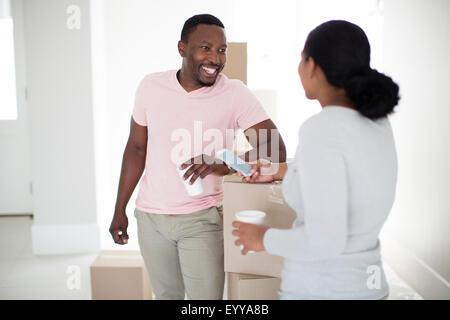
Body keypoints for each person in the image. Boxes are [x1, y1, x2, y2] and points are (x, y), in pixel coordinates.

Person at [109, 14, 286, 300]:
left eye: (222, 50)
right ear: (182, 48)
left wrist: (223, 165)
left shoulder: (234, 93)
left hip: (202, 219)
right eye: (206, 47)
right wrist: (120, 209)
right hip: (150, 218)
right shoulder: (150, 86)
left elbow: (275, 148)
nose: (215, 58)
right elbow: (136, 149)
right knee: (166, 296)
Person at [232, 20, 400, 300]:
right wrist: (279, 170)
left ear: (312, 65)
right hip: (367, 286)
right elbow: (350, 175)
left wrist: (261, 238)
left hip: (324, 289)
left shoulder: (323, 129)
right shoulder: (377, 122)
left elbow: (324, 241)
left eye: (301, 59)